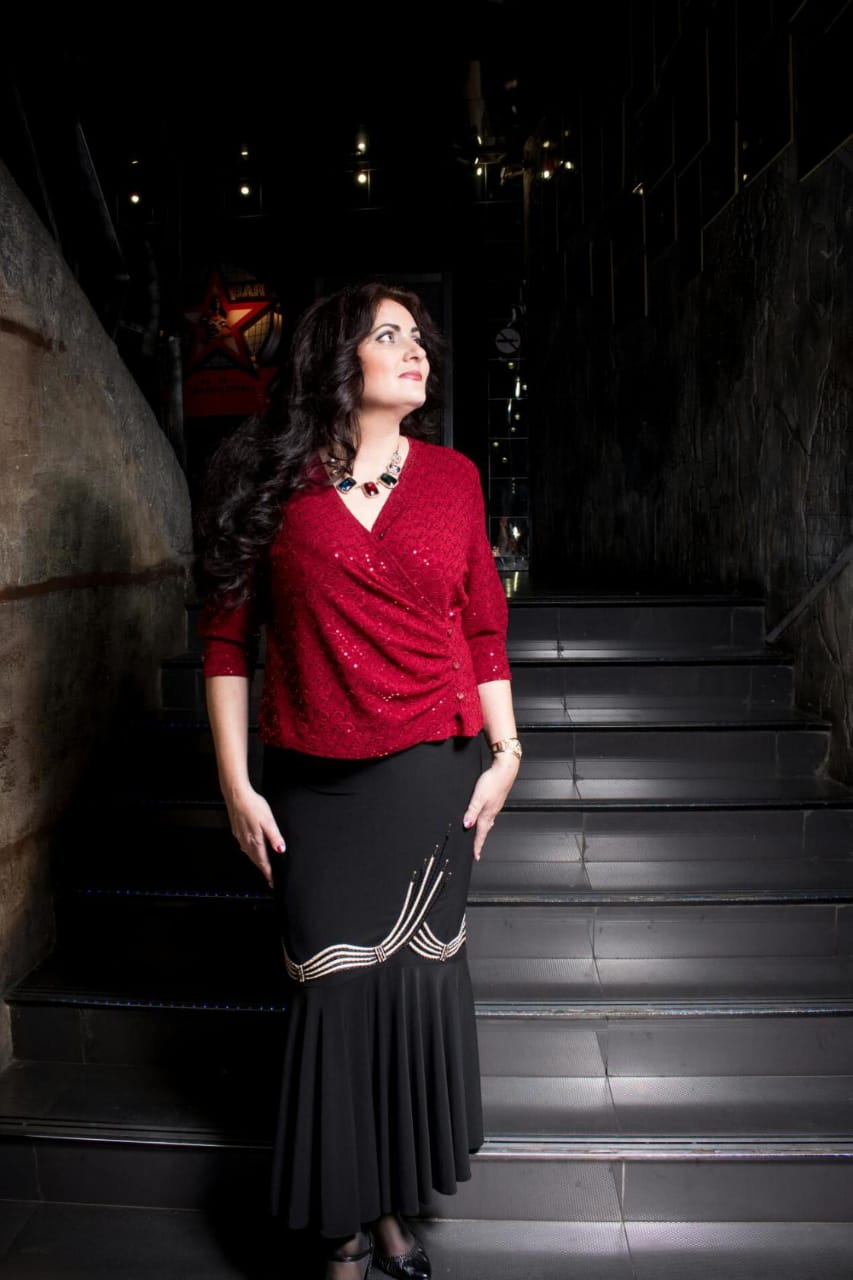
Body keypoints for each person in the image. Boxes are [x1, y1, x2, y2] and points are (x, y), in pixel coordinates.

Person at [193, 281, 520, 1279]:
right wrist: (234, 785)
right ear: (339, 357)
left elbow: (483, 626)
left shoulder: (454, 478)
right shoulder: (268, 479)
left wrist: (507, 751)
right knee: (333, 1001)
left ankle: (387, 1212)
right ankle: (339, 1224)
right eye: (389, 335)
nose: (415, 349)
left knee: (412, 997)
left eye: (418, 336)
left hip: (435, 773)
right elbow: (225, 640)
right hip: (318, 787)